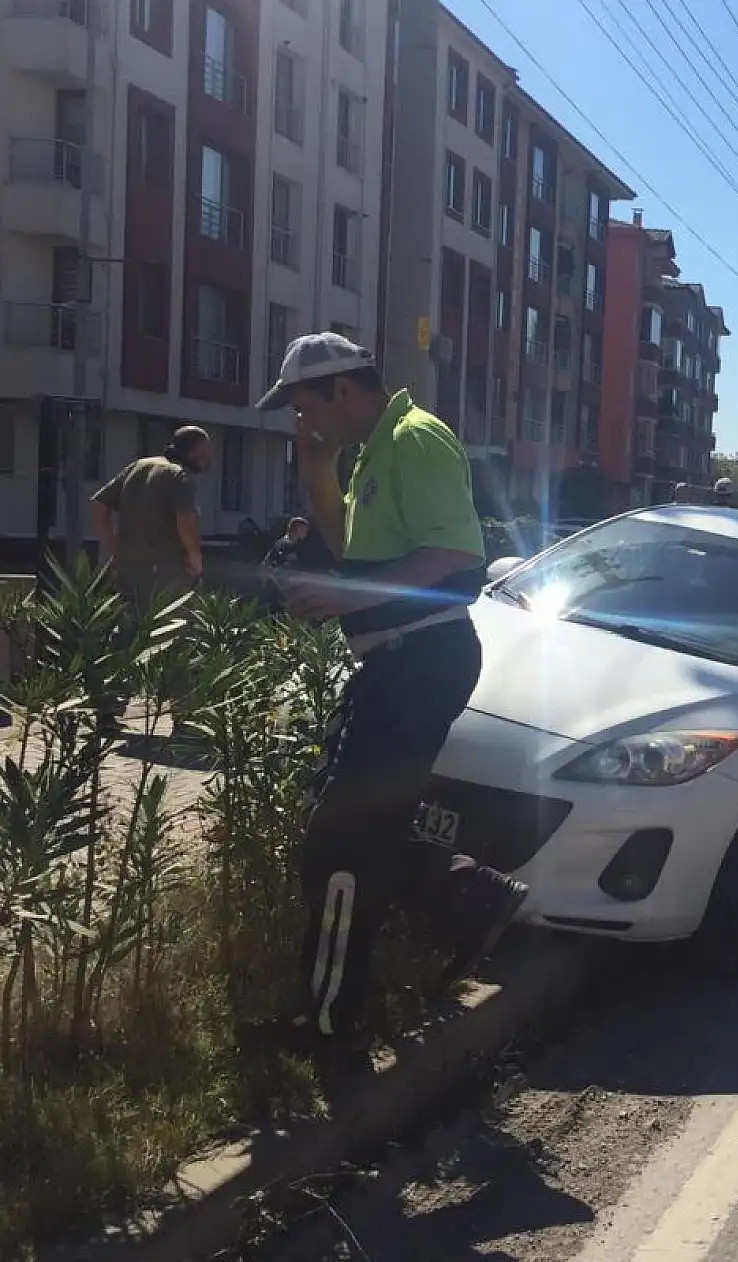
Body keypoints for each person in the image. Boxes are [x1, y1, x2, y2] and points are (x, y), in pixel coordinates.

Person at [240, 330, 529, 1076]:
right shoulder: (372, 451)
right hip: (399, 662)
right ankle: (470, 895)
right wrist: (318, 473)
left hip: (421, 658)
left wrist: (345, 596)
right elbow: (352, 553)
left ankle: (331, 1025)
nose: (303, 420)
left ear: (342, 389)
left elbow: (455, 556)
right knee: (357, 827)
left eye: (306, 406)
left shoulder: (414, 439)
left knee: (339, 843)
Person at [89, 426, 210, 733]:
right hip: (168, 572)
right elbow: (185, 519)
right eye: (206, 452)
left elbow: (98, 506)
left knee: (127, 637)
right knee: (179, 637)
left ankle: (107, 710)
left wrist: (114, 550)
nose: (208, 459)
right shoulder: (180, 476)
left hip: (131, 570)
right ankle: (183, 715)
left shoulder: (137, 467)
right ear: (195, 450)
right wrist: (195, 558)